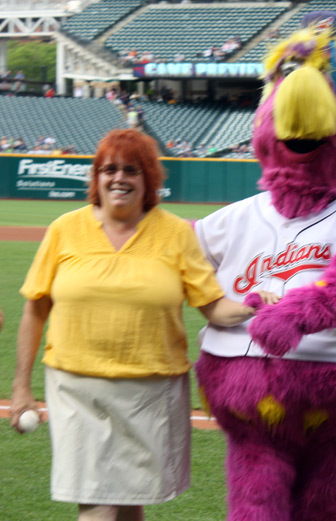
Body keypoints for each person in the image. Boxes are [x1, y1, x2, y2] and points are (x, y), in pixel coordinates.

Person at [10, 129, 273, 521]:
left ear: (148, 179)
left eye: (131, 170)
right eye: (109, 169)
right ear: (96, 178)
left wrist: (253, 305)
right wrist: (21, 387)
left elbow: (213, 307)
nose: (119, 178)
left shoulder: (174, 234)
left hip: (151, 389)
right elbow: (35, 309)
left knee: (132, 501)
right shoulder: (65, 230)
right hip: (77, 387)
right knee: (97, 504)